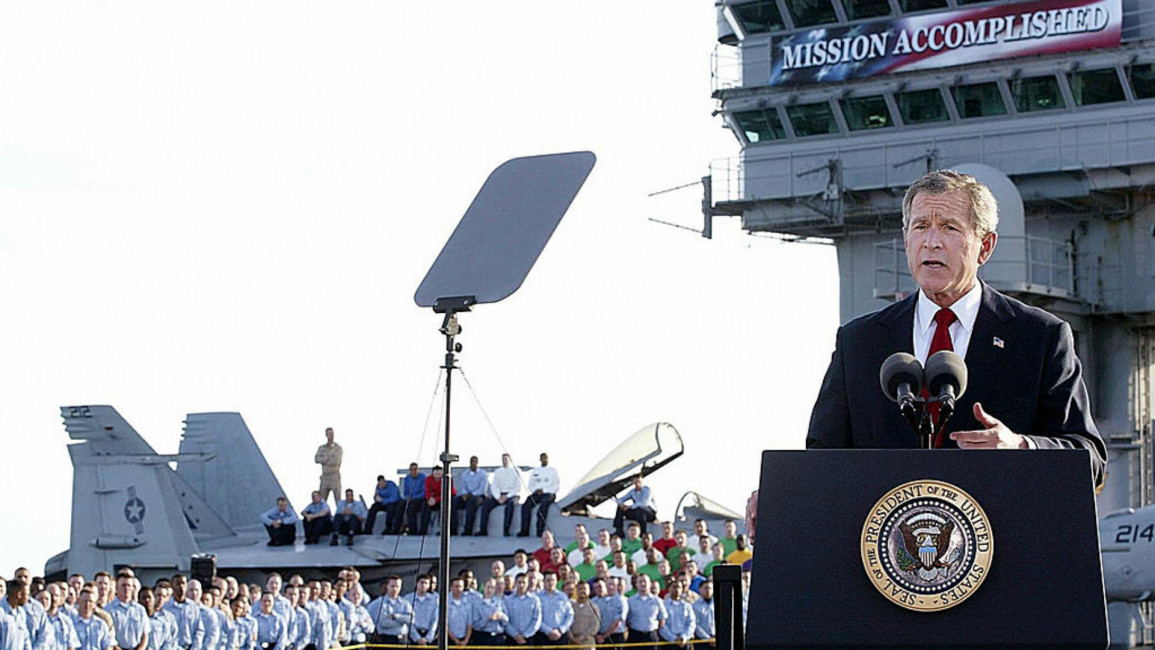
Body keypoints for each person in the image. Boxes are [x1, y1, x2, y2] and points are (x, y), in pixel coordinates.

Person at [806, 169, 1107, 483]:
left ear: (985, 246)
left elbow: (1090, 458)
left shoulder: (1040, 337)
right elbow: (821, 457)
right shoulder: (859, 342)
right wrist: (779, 494)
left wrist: (1021, 446)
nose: (931, 243)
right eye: (921, 226)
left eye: (949, 227)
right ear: (906, 237)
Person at [517, 453, 559, 538]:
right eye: (542, 458)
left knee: (543, 506)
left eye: (545, 458)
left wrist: (544, 490)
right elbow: (530, 484)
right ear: (540, 459)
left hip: (549, 493)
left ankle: (540, 531)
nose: (544, 460)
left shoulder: (552, 471)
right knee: (526, 505)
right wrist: (535, 490)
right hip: (537, 493)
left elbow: (556, 485)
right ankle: (524, 530)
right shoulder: (535, 471)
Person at [480, 454, 522, 537]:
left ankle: (506, 530)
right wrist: (498, 496)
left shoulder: (516, 471)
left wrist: (507, 496)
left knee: (510, 506)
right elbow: (494, 486)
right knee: (486, 504)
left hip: (511, 495)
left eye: (506, 459)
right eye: (503, 459)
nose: (505, 461)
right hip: (499, 495)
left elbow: (517, 488)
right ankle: (483, 530)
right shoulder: (498, 471)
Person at [106, 570, 149, 650]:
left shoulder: (140, 609)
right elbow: (108, 637)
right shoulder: (108, 610)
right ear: (116, 587)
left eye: (129, 585)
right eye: (123, 585)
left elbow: (145, 634)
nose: (126, 588)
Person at [365, 576, 410, 645]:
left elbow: (411, 620)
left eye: (397, 586)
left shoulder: (405, 603)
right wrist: (402, 623)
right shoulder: (378, 603)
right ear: (387, 587)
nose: (394, 589)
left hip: (402, 640)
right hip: (386, 639)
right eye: (392, 586)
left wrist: (396, 617)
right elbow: (384, 623)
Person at [625, 575, 665, 650]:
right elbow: (627, 619)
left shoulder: (657, 601)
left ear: (650, 584)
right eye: (640, 582)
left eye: (645, 581)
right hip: (635, 636)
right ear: (636, 584)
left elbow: (662, 619)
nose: (643, 584)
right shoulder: (630, 601)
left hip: (651, 636)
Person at [535, 573, 572, 647]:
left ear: (556, 581)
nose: (550, 583)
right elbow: (535, 617)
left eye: (553, 580)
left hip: (561, 635)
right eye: (548, 580)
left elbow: (570, 615)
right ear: (544, 582)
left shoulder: (563, 596)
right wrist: (548, 631)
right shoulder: (537, 597)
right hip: (543, 636)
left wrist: (561, 630)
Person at [502, 575, 540, 647]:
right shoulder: (507, 600)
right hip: (512, 639)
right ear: (515, 583)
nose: (521, 585)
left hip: (529, 638)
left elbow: (536, 619)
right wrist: (515, 635)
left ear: (528, 583)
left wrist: (525, 635)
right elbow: (505, 621)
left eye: (524, 582)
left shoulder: (535, 600)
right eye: (519, 582)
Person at [470, 579, 507, 647]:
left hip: (498, 637)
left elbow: (507, 621)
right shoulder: (477, 604)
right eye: (488, 587)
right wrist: (488, 619)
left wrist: (501, 616)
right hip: (484, 637)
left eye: (492, 587)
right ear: (483, 588)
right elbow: (475, 625)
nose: (489, 590)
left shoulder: (500, 602)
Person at [658, 581, 694, 648]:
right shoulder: (663, 605)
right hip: (668, 642)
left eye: (679, 587)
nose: (677, 589)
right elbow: (662, 625)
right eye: (674, 587)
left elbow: (692, 623)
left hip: (685, 642)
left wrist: (684, 637)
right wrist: (674, 639)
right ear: (669, 589)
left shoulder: (687, 606)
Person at [314, 427, 343, 506]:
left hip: (334, 476)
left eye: (332, 434)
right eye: (329, 434)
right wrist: (327, 458)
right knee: (322, 500)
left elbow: (335, 461)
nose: (331, 436)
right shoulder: (322, 448)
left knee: (338, 500)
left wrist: (324, 460)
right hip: (325, 477)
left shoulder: (338, 448)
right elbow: (316, 459)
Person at [405, 576, 437, 646]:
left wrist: (428, 637)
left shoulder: (434, 600)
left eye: (426, 583)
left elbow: (435, 619)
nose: (423, 585)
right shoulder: (408, 599)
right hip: (412, 636)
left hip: (428, 636)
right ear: (416, 584)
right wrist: (417, 638)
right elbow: (407, 620)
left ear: (429, 585)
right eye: (421, 582)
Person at [400, 464, 427, 535]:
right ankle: (400, 528)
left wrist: (413, 497)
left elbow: (424, 492)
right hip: (410, 499)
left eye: (415, 469)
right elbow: (405, 492)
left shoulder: (423, 477)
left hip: (420, 499)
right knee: (400, 505)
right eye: (411, 470)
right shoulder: (407, 478)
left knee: (411, 507)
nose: (413, 471)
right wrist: (407, 497)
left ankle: (415, 530)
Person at [692, 580, 715, 646]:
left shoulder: (719, 603)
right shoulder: (695, 605)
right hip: (702, 640)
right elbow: (696, 624)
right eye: (705, 588)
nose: (708, 590)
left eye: (710, 588)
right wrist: (707, 638)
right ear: (700, 589)